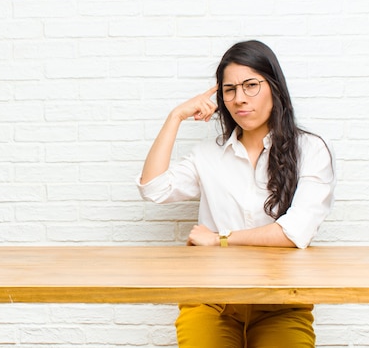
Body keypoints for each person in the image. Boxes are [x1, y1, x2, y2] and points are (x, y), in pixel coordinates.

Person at [136, 40, 335, 348]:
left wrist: (220, 239)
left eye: (251, 85)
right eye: (230, 90)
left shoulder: (309, 150)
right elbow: (153, 188)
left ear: (274, 87)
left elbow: (294, 233)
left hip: (281, 302)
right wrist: (175, 116)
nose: (240, 99)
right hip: (211, 299)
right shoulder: (209, 154)